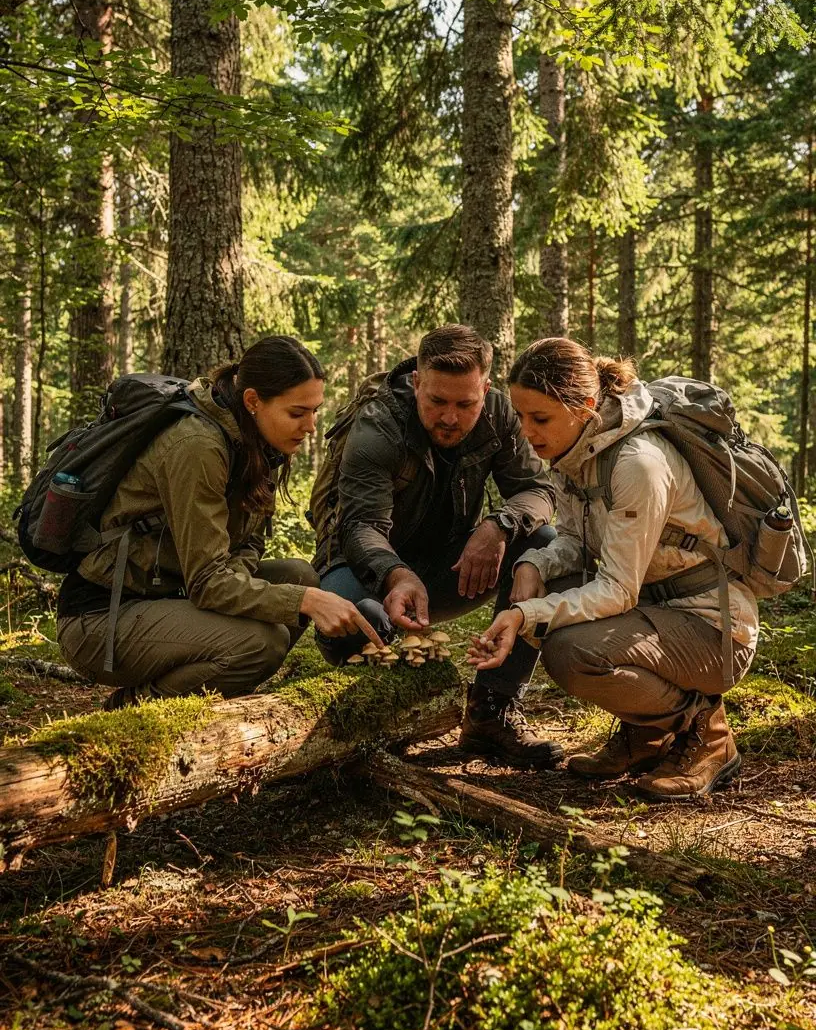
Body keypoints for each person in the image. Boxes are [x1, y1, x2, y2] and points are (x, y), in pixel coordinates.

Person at [467, 337, 759, 801]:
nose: (526, 431)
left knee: (570, 652)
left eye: (539, 418)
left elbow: (618, 590)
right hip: (654, 613)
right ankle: (646, 735)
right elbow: (574, 542)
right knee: (552, 582)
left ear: (585, 406)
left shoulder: (637, 463)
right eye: (521, 417)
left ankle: (707, 731)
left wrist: (525, 615)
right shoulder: (574, 454)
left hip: (710, 627)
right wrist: (532, 563)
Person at [57, 336, 382, 707]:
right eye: (297, 413)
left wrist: (247, 584)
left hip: (171, 594)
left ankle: (213, 680)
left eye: (315, 411)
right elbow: (209, 582)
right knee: (265, 641)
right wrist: (302, 601)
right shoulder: (197, 446)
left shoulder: (259, 443)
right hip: (102, 619)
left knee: (300, 575)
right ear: (253, 401)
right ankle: (133, 709)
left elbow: (248, 544)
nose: (310, 426)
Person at [312, 324, 562, 767]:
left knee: (542, 547)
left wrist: (499, 525)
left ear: (485, 389)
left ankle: (492, 713)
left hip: (448, 568)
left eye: (465, 404)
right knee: (363, 621)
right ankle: (373, 730)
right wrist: (396, 572)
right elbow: (359, 527)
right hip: (362, 568)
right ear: (416, 382)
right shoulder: (378, 425)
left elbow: (537, 490)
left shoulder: (501, 415)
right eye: (437, 402)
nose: (450, 417)